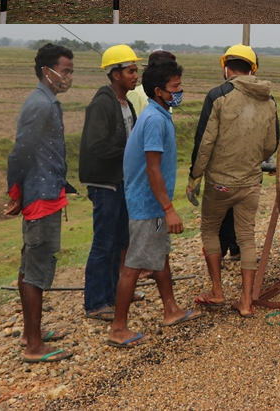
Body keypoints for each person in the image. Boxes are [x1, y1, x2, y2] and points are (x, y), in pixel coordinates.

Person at [107, 54, 204, 348]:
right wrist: (169, 209)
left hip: (152, 205)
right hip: (147, 206)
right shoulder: (153, 121)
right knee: (134, 265)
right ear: (159, 92)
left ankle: (170, 309)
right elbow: (152, 169)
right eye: (175, 87)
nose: (179, 91)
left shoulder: (160, 115)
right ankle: (117, 328)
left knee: (160, 255)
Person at [187, 45, 279, 316]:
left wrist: (195, 178)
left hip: (220, 184)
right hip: (250, 182)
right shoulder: (269, 100)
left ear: (226, 67)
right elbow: (269, 146)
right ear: (253, 69)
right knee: (247, 238)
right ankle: (247, 302)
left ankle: (216, 291)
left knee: (210, 230)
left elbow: (205, 142)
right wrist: (251, 160)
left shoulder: (218, 96)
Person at [4, 43, 75, 363]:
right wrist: (17, 193)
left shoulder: (47, 101)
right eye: (65, 70)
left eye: (71, 70)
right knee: (37, 268)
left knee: (29, 264)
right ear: (47, 71)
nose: (68, 77)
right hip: (41, 196)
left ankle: (29, 333)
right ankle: (34, 346)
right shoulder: (41, 105)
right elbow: (20, 152)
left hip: (46, 190)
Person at [79, 45, 141, 322]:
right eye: (130, 71)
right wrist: (129, 151)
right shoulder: (102, 103)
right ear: (115, 75)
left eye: (136, 70)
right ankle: (94, 303)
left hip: (121, 182)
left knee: (120, 241)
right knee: (103, 244)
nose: (135, 75)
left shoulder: (126, 104)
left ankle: (114, 295)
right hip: (104, 184)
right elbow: (96, 147)